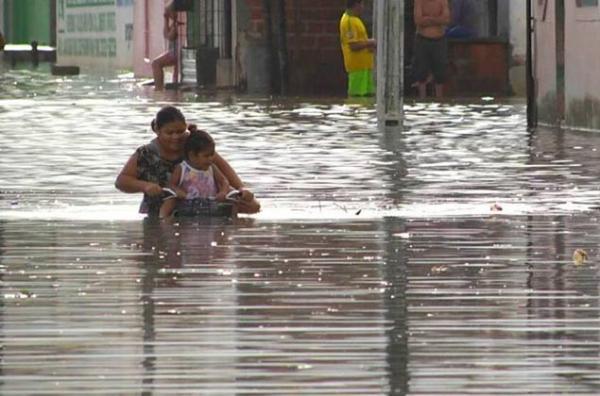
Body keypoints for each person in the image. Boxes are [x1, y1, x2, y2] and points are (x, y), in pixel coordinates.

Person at [115, 105, 260, 217]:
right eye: (169, 133)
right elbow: (121, 181)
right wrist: (145, 186)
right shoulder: (145, 153)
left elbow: (224, 171)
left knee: (253, 206)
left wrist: (242, 189)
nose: (175, 137)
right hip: (164, 207)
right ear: (157, 130)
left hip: (203, 203)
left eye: (180, 132)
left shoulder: (195, 146)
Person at [159, 130, 236, 218]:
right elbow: (171, 185)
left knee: (232, 199)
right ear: (192, 156)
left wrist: (223, 192)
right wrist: (182, 194)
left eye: (212, 155)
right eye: (206, 156)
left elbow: (224, 181)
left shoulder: (212, 167)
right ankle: (162, 221)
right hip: (187, 202)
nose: (211, 159)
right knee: (170, 200)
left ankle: (233, 222)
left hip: (210, 201)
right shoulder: (182, 168)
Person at [413, 0, 451, 99]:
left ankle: (439, 98)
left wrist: (428, 19)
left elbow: (446, 19)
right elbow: (418, 20)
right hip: (422, 38)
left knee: (440, 70)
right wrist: (437, 19)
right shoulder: (419, 1)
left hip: (439, 39)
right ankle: (422, 97)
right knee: (421, 70)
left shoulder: (443, 1)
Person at [339, 0, 376, 97]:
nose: (363, 7)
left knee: (368, 98)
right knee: (357, 99)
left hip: (365, 67)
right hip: (357, 68)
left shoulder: (356, 20)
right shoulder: (348, 21)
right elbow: (353, 46)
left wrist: (369, 46)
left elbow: (360, 40)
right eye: (361, 4)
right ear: (356, 5)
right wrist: (370, 42)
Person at [152, 1, 178, 91]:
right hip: (174, 52)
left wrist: (166, 20)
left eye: (168, 13)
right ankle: (159, 88)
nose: (167, 15)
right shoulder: (174, 23)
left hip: (176, 53)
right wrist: (166, 20)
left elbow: (169, 36)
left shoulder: (177, 24)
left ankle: (159, 88)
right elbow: (166, 34)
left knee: (156, 63)